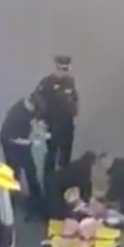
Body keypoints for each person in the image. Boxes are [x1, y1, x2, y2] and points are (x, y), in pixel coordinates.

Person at [0, 94, 45, 219]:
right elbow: (14, 139)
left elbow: (33, 121)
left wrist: (40, 133)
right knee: (14, 171)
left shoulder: (30, 108)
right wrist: (32, 142)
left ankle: (36, 200)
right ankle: (11, 201)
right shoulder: (17, 116)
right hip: (11, 143)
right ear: (30, 105)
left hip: (22, 140)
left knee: (31, 169)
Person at [36, 55, 79, 185]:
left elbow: (74, 98)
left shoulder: (70, 81)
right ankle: (48, 182)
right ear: (56, 68)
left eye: (66, 69)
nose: (64, 72)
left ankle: (64, 179)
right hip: (53, 124)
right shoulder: (47, 83)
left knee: (66, 153)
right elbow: (37, 100)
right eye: (62, 69)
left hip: (67, 124)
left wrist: (74, 112)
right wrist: (41, 120)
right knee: (51, 154)